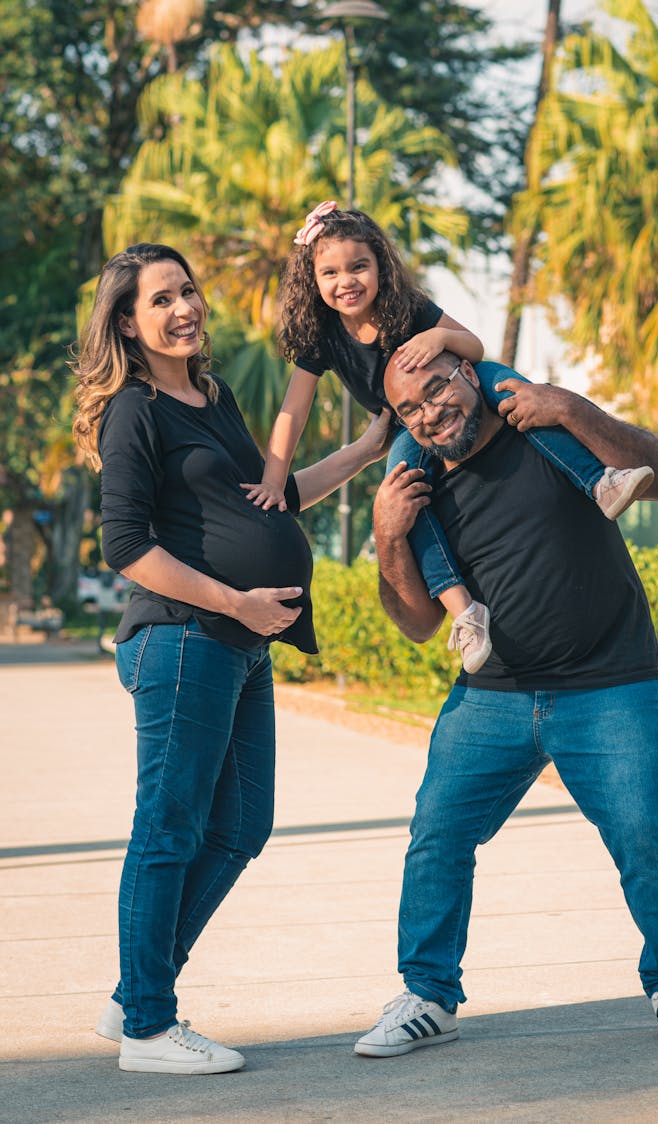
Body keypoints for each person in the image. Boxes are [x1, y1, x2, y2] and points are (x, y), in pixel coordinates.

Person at [71, 242, 389, 1075]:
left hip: (242, 648)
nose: (183, 309)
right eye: (160, 300)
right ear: (128, 325)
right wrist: (235, 601)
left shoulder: (214, 396)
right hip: (183, 638)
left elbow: (271, 497)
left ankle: (136, 993)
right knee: (168, 830)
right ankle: (146, 1029)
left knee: (242, 825)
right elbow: (126, 546)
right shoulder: (136, 411)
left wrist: (364, 449)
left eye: (187, 291)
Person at [354, 350, 658, 1058]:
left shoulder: (540, 425)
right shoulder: (419, 484)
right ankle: (429, 996)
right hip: (492, 696)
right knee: (438, 834)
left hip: (609, 682)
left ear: (469, 375)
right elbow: (421, 624)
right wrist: (387, 532)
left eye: (439, 391)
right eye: (412, 409)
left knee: (646, 833)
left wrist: (570, 407)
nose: (432, 414)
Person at [244, 201, 654, 676]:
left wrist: (438, 340)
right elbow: (293, 412)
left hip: (465, 379)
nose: (347, 281)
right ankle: (465, 612)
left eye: (359, 266)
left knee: (521, 398)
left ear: (379, 264)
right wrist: (274, 482)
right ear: (312, 281)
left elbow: (474, 347)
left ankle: (599, 480)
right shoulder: (322, 335)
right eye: (330, 272)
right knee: (403, 493)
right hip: (407, 423)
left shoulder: (407, 307)